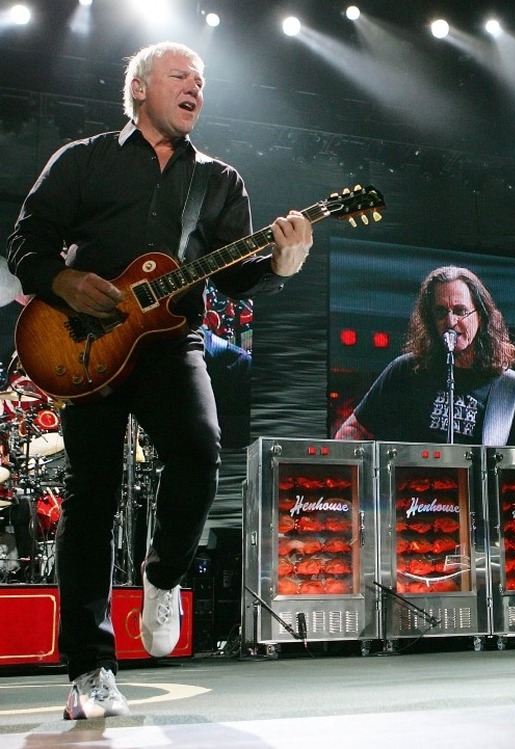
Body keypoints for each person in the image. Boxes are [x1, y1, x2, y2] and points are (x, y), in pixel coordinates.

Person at [5, 41, 313, 719]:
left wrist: (280, 265)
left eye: (202, 81)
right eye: (181, 77)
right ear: (140, 88)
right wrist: (60, 281)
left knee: (201, 454)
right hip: (84, 343)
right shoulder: (85, 158)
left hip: (174, 341)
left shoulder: (219, 181)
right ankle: (89, 670)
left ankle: (163, 575)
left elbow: (234, 274)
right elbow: (25, 237)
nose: (195, 88)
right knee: (91, 498)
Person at [334, 265, 515, 447]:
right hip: (413, 496)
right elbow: (353, 430)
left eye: (460, 311)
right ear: (430, 320)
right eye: (441, 312)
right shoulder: (406, 371)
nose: (450, 322)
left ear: (481, 317)